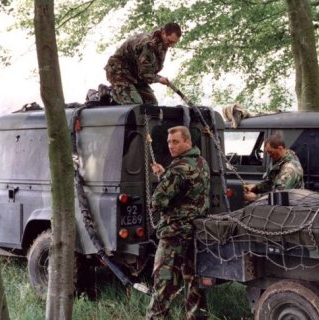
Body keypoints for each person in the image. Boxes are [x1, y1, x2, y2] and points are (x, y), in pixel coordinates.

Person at [146, 126, 209, 320]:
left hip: (175, 233)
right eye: (168, 142)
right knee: (193, 280)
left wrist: (163, 180)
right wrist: (165, 175)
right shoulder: (201, 162)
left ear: (187, 142)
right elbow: (187, 191)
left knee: (163, 281)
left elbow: (157, 201)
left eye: (175, 142)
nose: (171, 146)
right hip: (195, 230)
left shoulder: (178, 168)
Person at [104, 22, 181, 106]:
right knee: (135, 104)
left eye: (173, 43)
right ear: (163, 33)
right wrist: (159, 79)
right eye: (169, 41)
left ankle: (121, 95)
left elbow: (149, 69)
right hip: (119, 72)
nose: (170, 45)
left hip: (135, 75)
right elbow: (145, 74)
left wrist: (157, 77)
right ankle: (108, 92)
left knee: (152, 104)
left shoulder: (162, 45)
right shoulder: (148, 44)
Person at [244, 134, 304, 202]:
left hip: (288, 208)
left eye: (271, 152)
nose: (269, 155)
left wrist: (256, 197)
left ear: (280, 149)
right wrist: (256, 188)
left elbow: (279, 196)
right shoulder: (279, 161)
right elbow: (271, 183)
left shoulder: (289, 169)